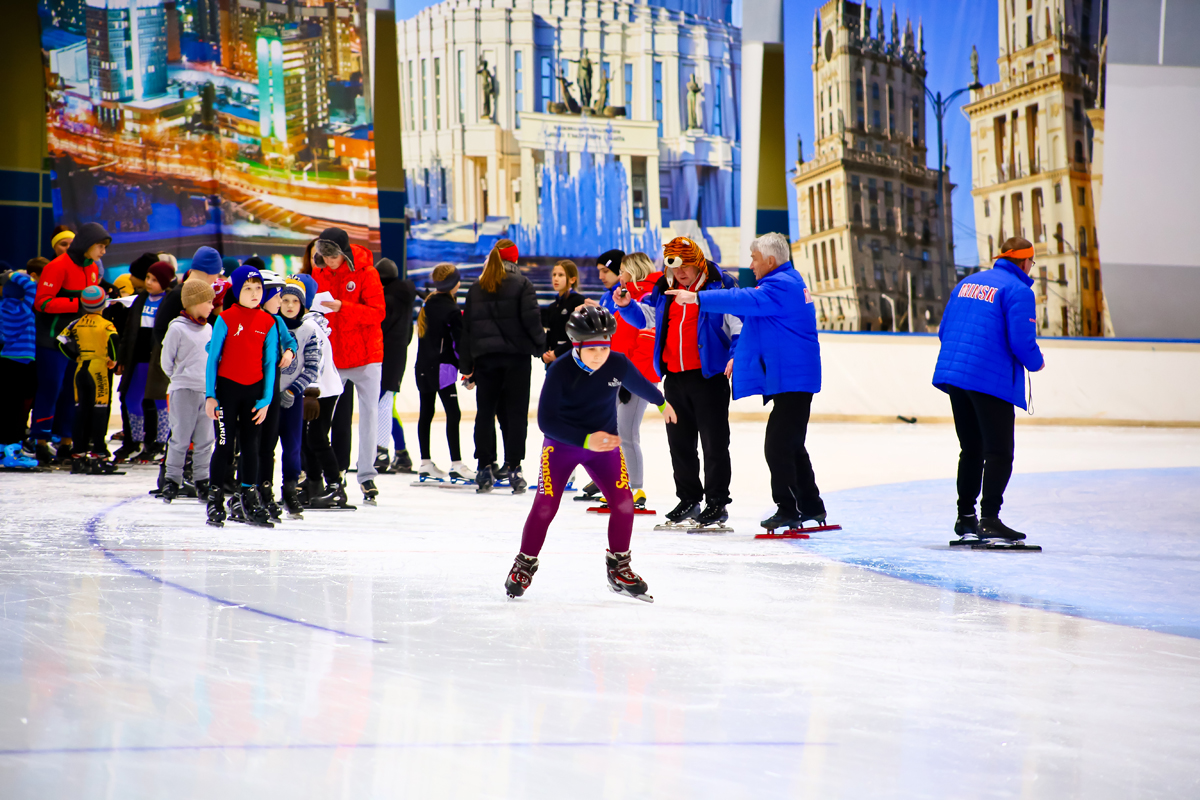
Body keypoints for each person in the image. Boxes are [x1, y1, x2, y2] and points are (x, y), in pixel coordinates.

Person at [504, 305, 676, 602]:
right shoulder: (560, 370)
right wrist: (586, 440)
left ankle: (619, 568)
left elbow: (639, 383)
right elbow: (546, 422)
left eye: (604, 347)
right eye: (592, 349)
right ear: (576, 345)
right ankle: (524, 564)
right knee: (545, 505)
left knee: (624, 503)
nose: (599, 355)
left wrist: (661, 403)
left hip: (604, 447)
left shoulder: (616, 363)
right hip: (562, 445)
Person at [667, 233, 826, 530]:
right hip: (792, 378)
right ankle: (812, 506)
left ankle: (788, 509)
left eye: (754, 258)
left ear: (770, 260)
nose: (751, 265)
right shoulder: (786, 282)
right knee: (791, 445)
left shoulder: (780, 285)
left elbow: (743, 299)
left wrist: (698, 298)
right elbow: (746, 309)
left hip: (793, 379)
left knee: (778, 447)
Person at [612, 237, 741, 529]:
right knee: (680, 444)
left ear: (698, 264)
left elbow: (737, 325)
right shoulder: (664, 289)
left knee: (714, 444)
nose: (680, 272)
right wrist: (627, 306)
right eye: (675, 267)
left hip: (709, 377)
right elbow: (647, 319)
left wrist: (735, 355)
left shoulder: (719, 287)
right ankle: (689, 499)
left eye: (686, 266)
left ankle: (717, 502)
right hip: (675, 378)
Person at [933, 236, 1045, 542]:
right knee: (999, 452)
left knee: (971, 448)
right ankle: (990, 519)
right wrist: (1036, 362)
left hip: (956, 375)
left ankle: (966, 518)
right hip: (988, 379)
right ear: (1025, 262)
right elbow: (1021, 341)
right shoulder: (1018, 290)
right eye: (1031, 262)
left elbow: (944, 330)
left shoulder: (967, 283)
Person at [460, 239, 545, 493]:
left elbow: (467, 329)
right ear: (515, 259)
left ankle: (484, 467)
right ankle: (514, 468)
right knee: (516, 414)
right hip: (517, 360)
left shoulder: (477, 287)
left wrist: (466, 365)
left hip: (486, 360)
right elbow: (532, 321)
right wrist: (541, 348)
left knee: (485, 413)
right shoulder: (522, 284)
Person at [312, 227, 386, 505]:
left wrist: (343, 307)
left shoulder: (367, 273)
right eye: (325, 257)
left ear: (344, 253)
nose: (329, 262)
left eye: (333, 257)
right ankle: (326, 473)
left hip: (367, 356)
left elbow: (378, 313)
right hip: (333, 357)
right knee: (322, 419)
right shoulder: (319, 271)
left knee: (369, 415)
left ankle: (366, 475)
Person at [203, 265, 279, 528]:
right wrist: (210, 395)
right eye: (248, 288)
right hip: (227, 392)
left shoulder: (268, 322)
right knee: (224, 445)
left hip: (254, 394)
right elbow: (213, 358)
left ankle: (248, 497)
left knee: (251, 447)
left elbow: (269, 364)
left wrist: (266, 399)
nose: (255, 293)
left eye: (258, 288)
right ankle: (215, 499)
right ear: (237, 291)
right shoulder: (225, 319)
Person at [31, 222, 109, 463]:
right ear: (87, 244)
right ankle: (40, 442)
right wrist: (78, 305)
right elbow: (42, 303)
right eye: (100, 246)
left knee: (72, 392)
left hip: (77, 341)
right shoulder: (57, 266)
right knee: (51, 388)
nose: (103, 252)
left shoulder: (92, 268)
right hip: (52, 339)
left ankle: (66, 442)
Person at [159, 279, 217, 503]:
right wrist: (180, 377)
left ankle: (202, 480)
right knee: (181, 438)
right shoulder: (177, 328)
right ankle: (172, 480)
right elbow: (167, 362)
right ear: (194, 302)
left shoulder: (209, 328)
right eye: (208, 302)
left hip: (206, 392)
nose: (212, 306)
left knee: (205, 440)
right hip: (183, 390)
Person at [295, 273, 350, 509]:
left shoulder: (309, 325)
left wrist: (311, 391)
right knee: (308, 439)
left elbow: (315, 359)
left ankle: (336, 487)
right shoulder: (306, 322)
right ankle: (314, 483)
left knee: (317, 438)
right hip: (316, 389)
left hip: (322, 391)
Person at [413, 263, 472, 481]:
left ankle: (425, 463)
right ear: (454, 283)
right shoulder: (452, 310)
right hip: (441, 369)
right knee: (453, 413)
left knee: (426, 413)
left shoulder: (428, 304)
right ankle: (456, 464)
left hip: (422, 367)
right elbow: (460, 344)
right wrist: (468, 370)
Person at [115, 259, 174, 463]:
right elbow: (129, 332)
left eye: (155, 280)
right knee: (131, 399)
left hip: (158, 359)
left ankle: (160, 443)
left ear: (165, 282)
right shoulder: (140, 299)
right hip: (138, 357)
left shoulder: (169, 302)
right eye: (148, 278)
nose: (149, 282)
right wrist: (122, 357)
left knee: (160, 401)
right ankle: (136, 441)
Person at [55, 285, 118, 471]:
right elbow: (114, 340)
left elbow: (60, 342)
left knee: (80, 411)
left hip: (81, 368)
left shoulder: (75, 323)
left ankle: (78, 454)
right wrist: (113, 359)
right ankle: (99, 454)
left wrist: (74, 357)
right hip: (98, 369)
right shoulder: (106, 324)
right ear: (103, 304)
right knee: (100, 410)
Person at [253, 270, 298, 521]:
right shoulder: (250, 319)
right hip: (250, 388)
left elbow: (291, 341)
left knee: (268, 444)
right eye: (278, 296)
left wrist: (289, 351)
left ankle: (265, 489)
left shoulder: (277, 322)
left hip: (272, 389)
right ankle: (247, 488)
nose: (281, 301)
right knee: (252, 443)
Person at [275, 279, 322, 518]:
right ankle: (261, 489)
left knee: (293, 446)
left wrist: (293, 390)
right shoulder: (270, 327)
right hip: (267, 398)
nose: (290, 305)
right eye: (285, 300)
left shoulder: (308, 331)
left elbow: (312, 367)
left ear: (302, 305)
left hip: (292, 399)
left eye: (295, 301)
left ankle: (290, 490)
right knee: (263, 446)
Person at [375, 257, 417, 474]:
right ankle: (401, 453)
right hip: (398, 354)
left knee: (383, 403)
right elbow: (408, 332)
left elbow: (379, 329)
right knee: (386, 403)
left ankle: (382, 452)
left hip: (384, 354)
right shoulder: (405, 297)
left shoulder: (386, 299)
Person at [0, 264, 39, 448]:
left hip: (6, 359)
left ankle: (4, 442)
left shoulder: (1, 308)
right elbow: (31, 286)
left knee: (7, 403)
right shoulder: (24, 309)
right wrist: (12, 275)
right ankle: (15, 442)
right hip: (24, 361)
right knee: (20, 404)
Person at [540, 259, 585, 362]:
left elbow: (580, 336)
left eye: (560, 275)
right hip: (552, 362)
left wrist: (557, 353)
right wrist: (545, 354)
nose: (556, 278)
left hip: (571, 361)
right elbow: (549, 335)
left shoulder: (578, 301)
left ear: (572, 279)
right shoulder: (552, 307)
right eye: (554, 275)